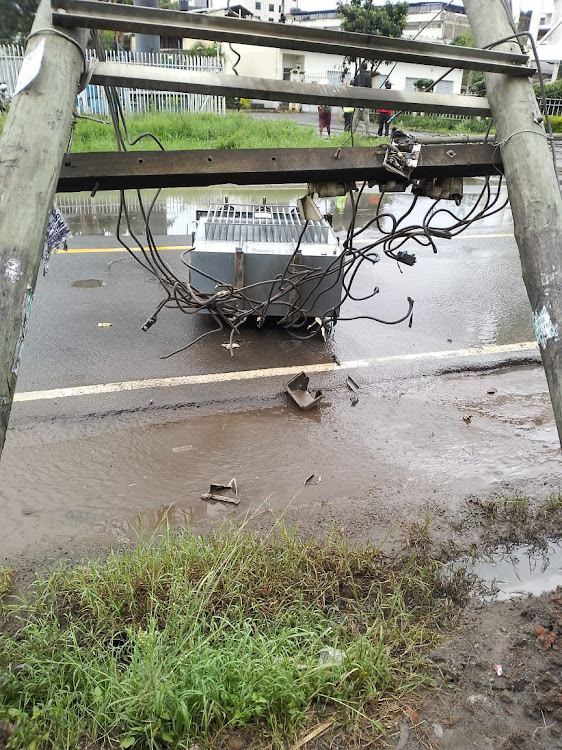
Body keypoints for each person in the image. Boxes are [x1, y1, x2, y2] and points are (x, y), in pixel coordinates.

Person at [351, 61, 372, 137]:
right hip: (365, 99)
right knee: (366, 116)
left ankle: (353, 131)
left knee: (355, 116)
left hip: (358, 98)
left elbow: (354, 87)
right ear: (366, 68)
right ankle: (368, 132)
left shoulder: (357, 77)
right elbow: (370, 88)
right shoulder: (368, 76)